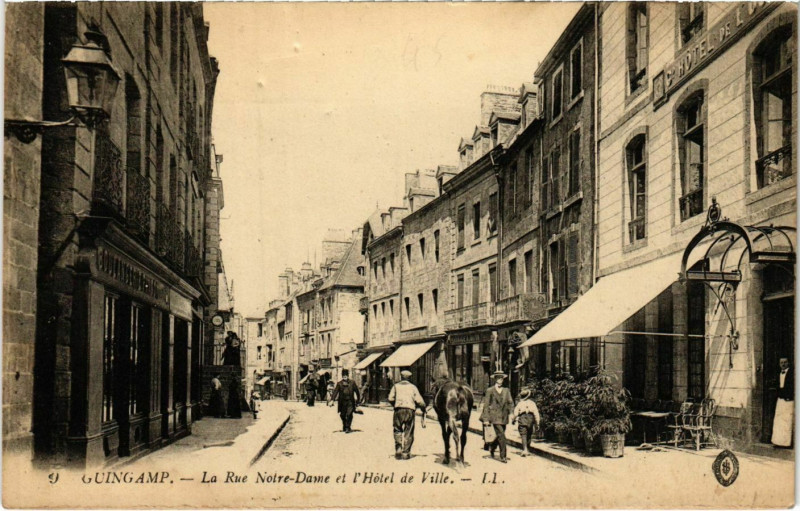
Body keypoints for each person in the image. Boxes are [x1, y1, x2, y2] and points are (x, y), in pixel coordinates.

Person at [388, 370, 426, 460]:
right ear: (409, 378)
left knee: (397, 429)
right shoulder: (413, 387)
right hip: (410, 410)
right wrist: (423, 408)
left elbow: (390, 398)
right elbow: (420, 401)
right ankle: (405, 453)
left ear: (401, 377)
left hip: (398, 410)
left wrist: (395, 405)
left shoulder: (396, 386)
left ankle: (398, 449)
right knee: (409, 431)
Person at [480, 372, 514, 463]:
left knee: (499, 435)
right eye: (498, 378)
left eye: (502, 378)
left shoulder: (506, 390)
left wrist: (511, 413)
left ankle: (492, 446)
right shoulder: (490, 390)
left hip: (504, 417)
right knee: (502, 435)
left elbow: (510, 402)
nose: (500, 380)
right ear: (495, 379)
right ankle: (503, 456)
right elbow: (486, 405)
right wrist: (486, 419)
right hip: (494, 417)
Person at [511, 388, 540, 457]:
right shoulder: (532, 403)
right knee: (529, 434)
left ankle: (525, 449)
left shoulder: (520, 403)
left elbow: (515, 413)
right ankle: (527, 449)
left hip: (523, 419)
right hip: (530, 419)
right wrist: (537, 423)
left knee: (523, 434)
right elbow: (536, 413)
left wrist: (513, 420)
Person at [772, 357, 794, 447]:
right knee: (778, 421)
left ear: (788, 363)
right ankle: (778, 442)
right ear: (779, 364)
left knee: (786, 421)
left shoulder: (792, 374)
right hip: (780, 400)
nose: (783, 364)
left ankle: (786, 443)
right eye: (781, 363)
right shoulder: (778, 373)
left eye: (785, 362)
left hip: (788, 401)